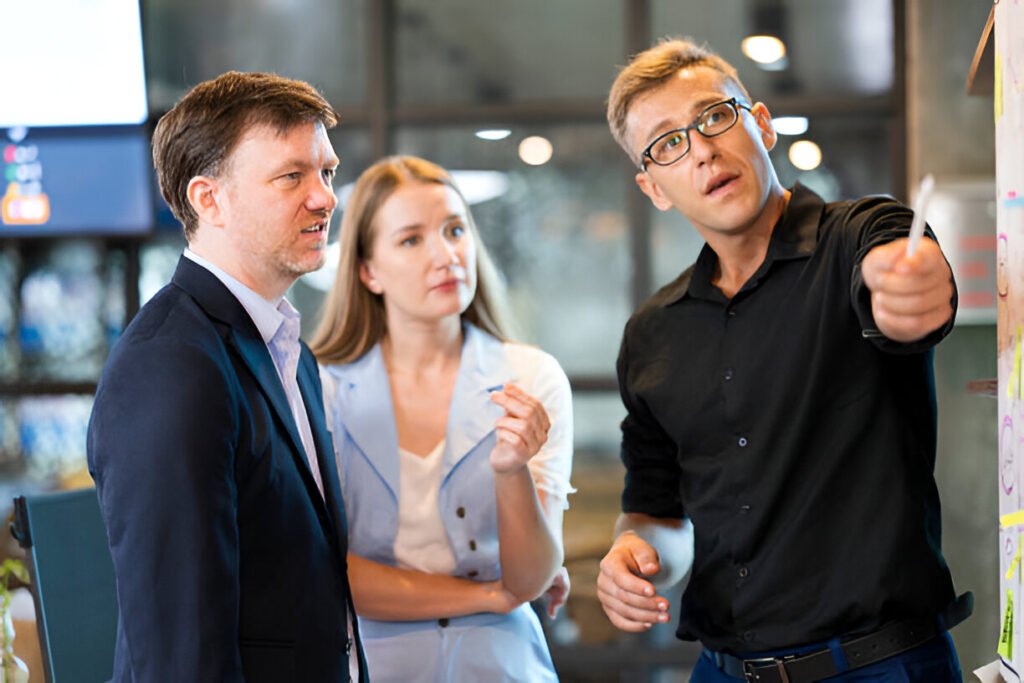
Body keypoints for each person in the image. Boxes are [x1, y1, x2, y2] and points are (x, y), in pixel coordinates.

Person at [596, 38, 971, 682]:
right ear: (653, 187)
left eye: (715, 117)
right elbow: (657, 510)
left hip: (878, 664)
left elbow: (909, 282)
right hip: (722, 670)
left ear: (760, 124)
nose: (703, 149)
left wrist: (908, 286)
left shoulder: (860, 235)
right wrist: (633, 552)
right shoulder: (653, 333)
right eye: (668, 144)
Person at [87, 71, 367, 682]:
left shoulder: (285, 348)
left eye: (326, 171)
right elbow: (180, 647)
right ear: (208, 199)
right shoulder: (171, 364)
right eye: (291, 176)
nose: (324, 196)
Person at [311, 155, 573, 682]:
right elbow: (329, 574)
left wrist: (510, 470)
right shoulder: (322, 389)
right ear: (368, 270)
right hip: (372, 666)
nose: (446, 255)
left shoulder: (531, 377)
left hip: (502, 665)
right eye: (411, 240)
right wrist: (488, 594)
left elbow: (531, 576)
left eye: (455, 229)